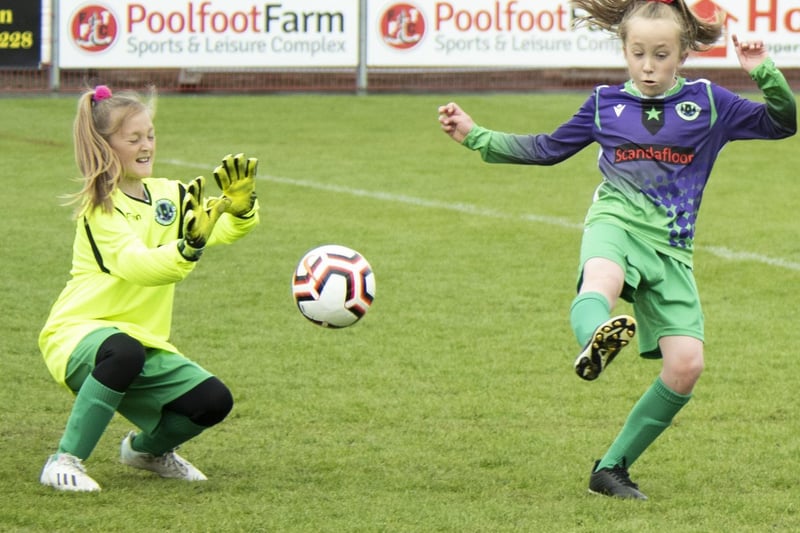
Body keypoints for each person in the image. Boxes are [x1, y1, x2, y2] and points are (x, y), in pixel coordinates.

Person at [438, 0, 796, 500]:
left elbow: (783, 123)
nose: (648, 66)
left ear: (683, 54)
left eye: (661, 54)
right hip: (615, 223)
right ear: (624, 51)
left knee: (687, 365)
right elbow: (547, 149)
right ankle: (594, 341)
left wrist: (763, 72)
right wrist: (475, 136)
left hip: (671, 249)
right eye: (638, 53)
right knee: (601, 278)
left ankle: (610, 470)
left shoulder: (711, 103)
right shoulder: (605, 103)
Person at [38, 84, 261, 492]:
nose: (147, 146)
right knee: (124, 350)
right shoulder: (99, 209)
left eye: (151, 135)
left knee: (212, 401)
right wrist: (187, 246)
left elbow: (220, 231)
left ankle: (146, 451)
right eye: (134, 138)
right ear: (107, 146)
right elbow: (137, 265)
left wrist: (241, 208)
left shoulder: (170, 194)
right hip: (78, 335)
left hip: (141, 342)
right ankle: (64, 460)